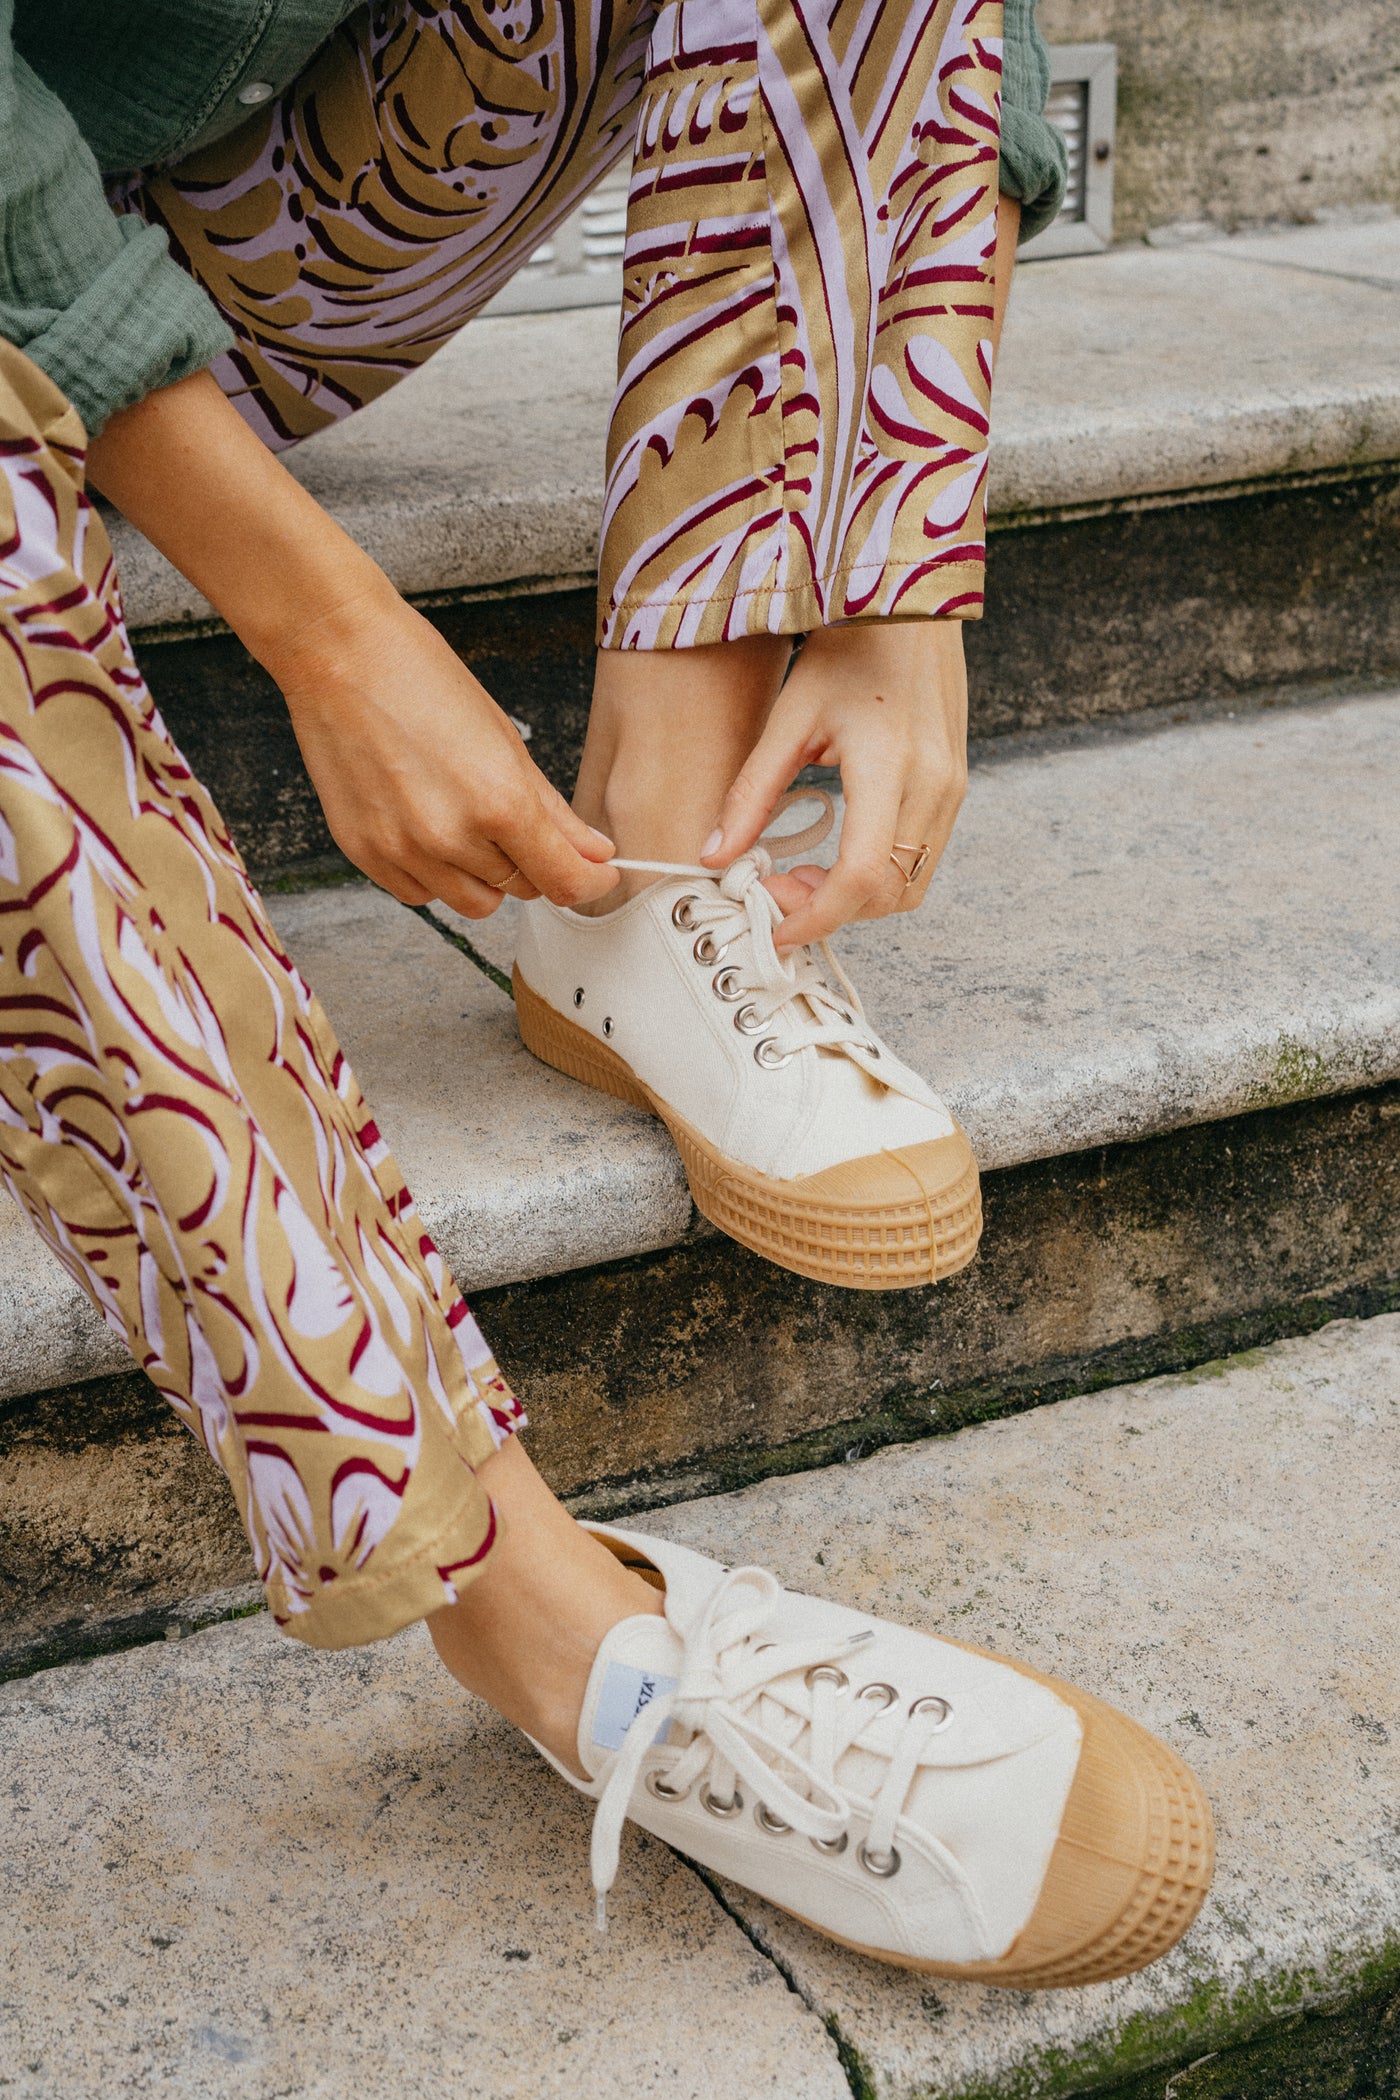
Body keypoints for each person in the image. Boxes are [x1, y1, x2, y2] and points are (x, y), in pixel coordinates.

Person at [0, 0, 1214, 1982]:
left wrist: (896, 545)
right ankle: (549, 1622)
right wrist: (328, 633)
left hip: (263, 244)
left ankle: (650, 868)